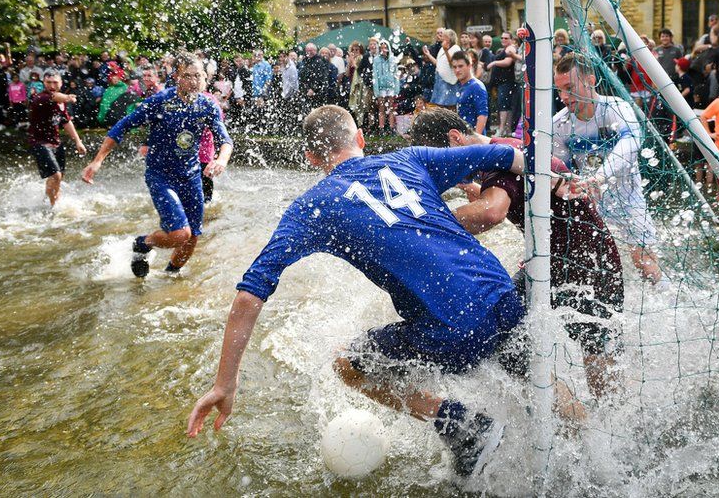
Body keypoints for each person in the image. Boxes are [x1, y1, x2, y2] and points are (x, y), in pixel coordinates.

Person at [186, 105, 525, 478]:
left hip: (452, 328)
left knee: (348, 365)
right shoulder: (410, 158)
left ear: (311, 157)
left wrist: (225, 383)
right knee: (537, 381)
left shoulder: (312, 206)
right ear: (360, 138)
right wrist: (556, 183)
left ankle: (461, 424)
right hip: (504, 296)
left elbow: (249, 296)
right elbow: (508, 155)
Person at [409, 108, 624, 398]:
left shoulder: (499, 159)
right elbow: (505, 191)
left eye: (442, 162)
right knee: (506, 336)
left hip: (587, 263)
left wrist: (425, 223)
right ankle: (559, 409)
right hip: (551, 259)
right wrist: (471, 186)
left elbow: (492, 211)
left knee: (596, 358)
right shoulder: (503, 148)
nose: (443, 171)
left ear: (455, 138)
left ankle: (599, 427)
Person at [81, 52, 233, 278]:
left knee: (192, 238)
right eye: (188, 76)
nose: (194, 81)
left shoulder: (207, 106)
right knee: (180, 234)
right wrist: (97, 160)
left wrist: (221, 160)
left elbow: (226, 141)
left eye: (199, 76)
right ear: (177, 77)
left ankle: (170, 278)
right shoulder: (160, 102)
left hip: (191, 177)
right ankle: (142, 243)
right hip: (161, 176)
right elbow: (121, 127)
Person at [552, 53, 663, 284]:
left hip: (628, 197)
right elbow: (559, 168)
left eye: (569, 88)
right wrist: (571, 183)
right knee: (592, 266)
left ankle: (666, 303)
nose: (563, 96)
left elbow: (631, 143)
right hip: (591, 202)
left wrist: (599, 177)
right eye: (559, 90)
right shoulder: (559, 125)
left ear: (590, 81)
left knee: (645, 264)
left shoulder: (616, 108)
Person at [28, 70, 87, 207]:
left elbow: (66, 121)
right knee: (56, 175)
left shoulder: (61, 102)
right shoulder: (40, 98)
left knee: (60, 175)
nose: (52, 85)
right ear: (44, 83)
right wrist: (69, 97)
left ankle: (50, 200)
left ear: (60, 83)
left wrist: (78, 141)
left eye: (55, 82)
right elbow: (56, 97)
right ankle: (53, 205)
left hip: (55, 142)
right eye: (48, 82)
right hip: (39, 142)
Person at [487, 31, 519, 135]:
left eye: (506, 38)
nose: (503, 40)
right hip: (504, 82)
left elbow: (507, 62)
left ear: (511, 39)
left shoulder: (510, 48)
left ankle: (501, 129)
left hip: (507, 82)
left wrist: (494, 62)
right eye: (502, 38)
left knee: (503, 105)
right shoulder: (507, 49)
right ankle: (507, 129)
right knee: (506, 105)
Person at [450, 51, 489, 136]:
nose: (457, 70)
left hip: (474, 141)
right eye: (454, 67)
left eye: (460, 66)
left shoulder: (476, 86)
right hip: (465, 137)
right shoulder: (461, 86)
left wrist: (476, 139)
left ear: (469, 66)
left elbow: (482, 115)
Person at [372, 40, 401, 132]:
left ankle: (391, 127)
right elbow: (375, 76)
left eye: (385, 47)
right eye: (381, 48)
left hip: (391, 86)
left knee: (391, 107)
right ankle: (382, 128)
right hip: (381, 87)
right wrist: (376, 90)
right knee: (382, 108)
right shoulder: (376, 60)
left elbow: (396, 74)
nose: (383, 49)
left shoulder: (392, 59)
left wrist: (397, 88)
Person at [429, 29, 461, 108]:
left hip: (449, 82)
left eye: (444, 36)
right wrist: (428, 54)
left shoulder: (456, 48)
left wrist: (446, 51)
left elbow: (454, 64)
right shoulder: (441, 49)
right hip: (440, 80)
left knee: (449, 106)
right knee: (438, 106)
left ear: (449, 38)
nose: (442, 38)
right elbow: (438, 64)